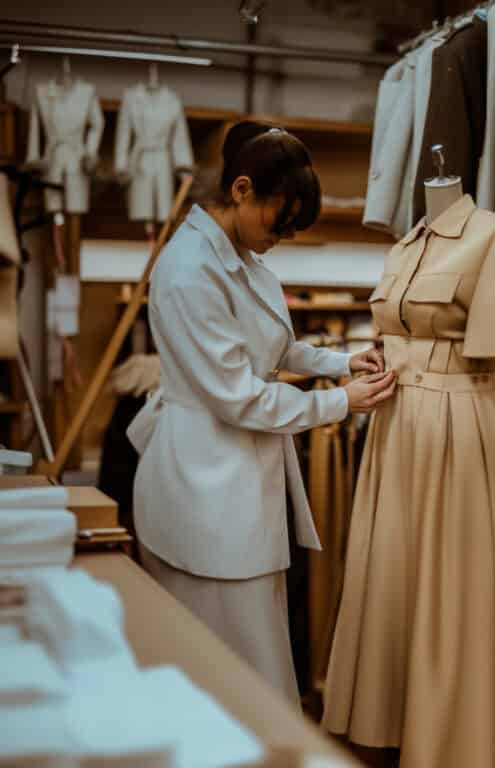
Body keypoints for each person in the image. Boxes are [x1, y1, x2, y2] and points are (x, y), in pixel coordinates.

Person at [131, 121, 397, 707]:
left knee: (255, 658)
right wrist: (338, 403)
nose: (287, 236)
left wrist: (340, 361)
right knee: (222, 669)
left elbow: (268, 349)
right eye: (282, 220)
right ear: (243, 189)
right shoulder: (189, 270)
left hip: (234, 482)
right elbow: (238, 394)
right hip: (204, 484)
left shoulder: (240, 257)